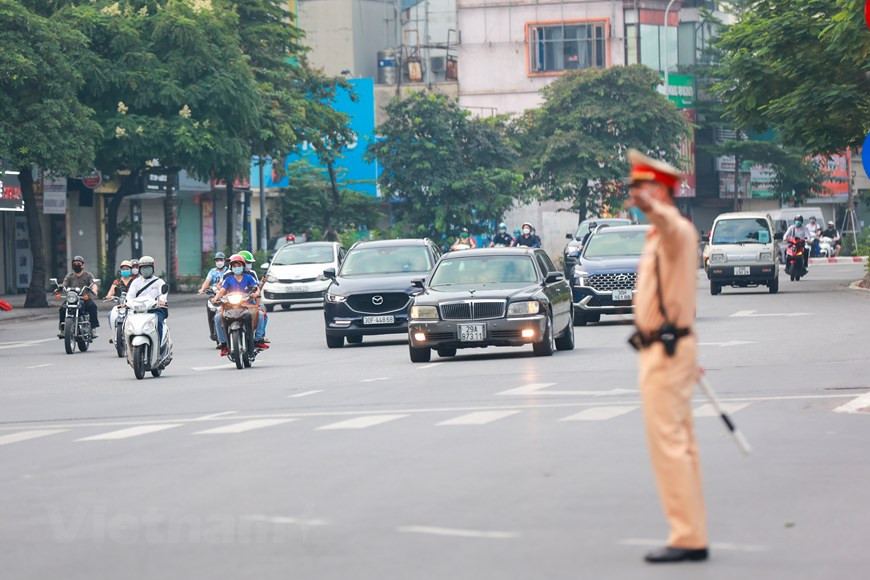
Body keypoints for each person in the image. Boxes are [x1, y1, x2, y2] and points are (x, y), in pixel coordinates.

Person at [626, 149, 707, 564]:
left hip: (666, 349)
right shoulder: (660, 235)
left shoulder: (674, 228)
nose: (634, 198)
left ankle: (687, 536)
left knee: (669, 444)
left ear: (659, 191)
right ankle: (691, 531)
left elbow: (667, 220)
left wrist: (652, 205)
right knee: (682, 443)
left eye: (640, 189)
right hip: (668, 348)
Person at [212, 254, 263, 356]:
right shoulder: (228, 279)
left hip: (247, 305)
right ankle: (223, 344)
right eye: (234, 266)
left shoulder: (249, 277)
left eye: (238, 265)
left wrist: (256, 293)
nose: (236, 268)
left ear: (243, 266)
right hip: (230, 306)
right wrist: (215, 298)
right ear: (231, 268)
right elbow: (222, 291)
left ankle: (258, 339)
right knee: (217, 317)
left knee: (260, 315)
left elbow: (256, 287)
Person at [126, 256, 169, 353]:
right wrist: (127, 303)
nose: (146, 270)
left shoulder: (159, 282)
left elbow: (163, 294)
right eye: (143, 268)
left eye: (148, 267)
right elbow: (130, 295)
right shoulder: (135, 282)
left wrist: (161, 301)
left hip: (155, 310)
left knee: (158, 323)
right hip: (138, 311)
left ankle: (159, 346)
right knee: (127, 323)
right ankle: (128, 346)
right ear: (139, 269)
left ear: (153, 267)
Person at [58, 256, 100, 339]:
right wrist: (60, 288)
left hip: (84, 298)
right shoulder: (69, 276)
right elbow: (64, 285)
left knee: (93, 307)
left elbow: (94, 284)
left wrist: (94, 290)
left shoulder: (88, 275)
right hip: (72, 299)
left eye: (79, 264)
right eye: (75, 264)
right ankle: (63, 329)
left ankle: (93, 329)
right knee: (62, 309)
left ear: (83, 265)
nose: (76, 265)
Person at [239, 250, 269, 345]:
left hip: (250, 301)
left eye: (250, 263)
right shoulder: (229, 274)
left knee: (262, 313)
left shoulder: (251, 274)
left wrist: (262, 283)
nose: (249, 265)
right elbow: (222, 288)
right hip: (234, 302)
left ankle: (259, 337)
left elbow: (257, 289)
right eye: (247, 262)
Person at [106, 260, 136, 339]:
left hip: (132, 306)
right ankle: (114, 333)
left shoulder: (135, 281)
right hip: (120, 306)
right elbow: (111, 291)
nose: (125, 270)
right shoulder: (117, 281)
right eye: (123, 269)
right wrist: (110, 296)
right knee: (110, 314)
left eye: (127, 269)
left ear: (130, 270)